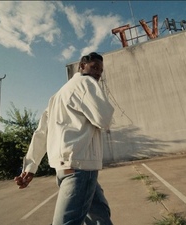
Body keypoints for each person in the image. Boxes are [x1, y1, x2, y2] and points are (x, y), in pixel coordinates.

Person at [14, 52, 115, 225]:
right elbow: (104, 119)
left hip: (66, 170)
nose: (98, 73)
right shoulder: (86, 83)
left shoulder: (57, 96)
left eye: (100, 70)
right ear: (81, 66)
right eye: (94, 67)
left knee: (100, 217)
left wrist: (30, 167)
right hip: (80, 169)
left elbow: (41, 134)